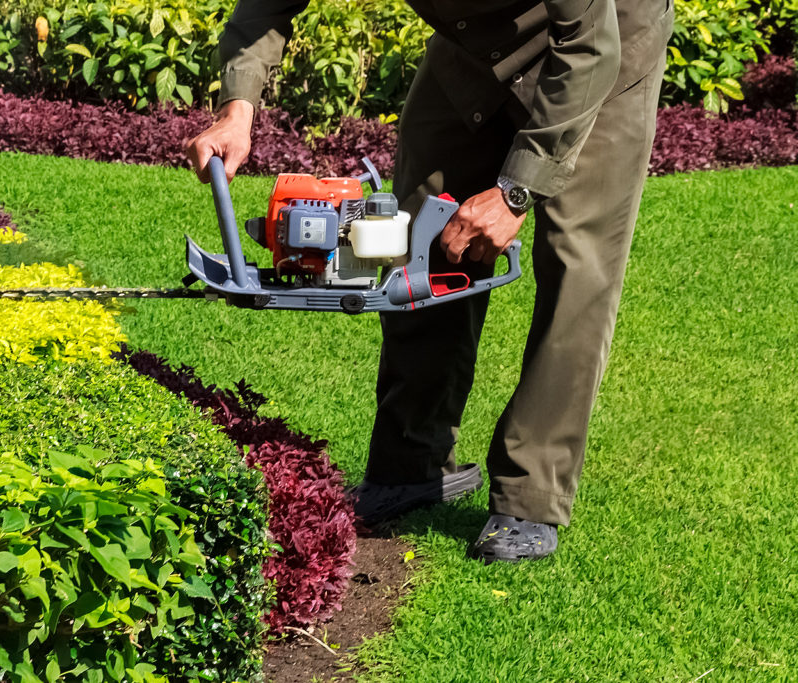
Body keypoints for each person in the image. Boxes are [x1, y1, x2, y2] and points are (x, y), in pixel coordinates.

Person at [185, 0, 674, 563]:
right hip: (474, 47)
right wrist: (237, 104)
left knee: (576, 264)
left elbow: (590, 44)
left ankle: (529, 496)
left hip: (600, 51)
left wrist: (516, 191)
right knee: (417, 227)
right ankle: (409, 465)